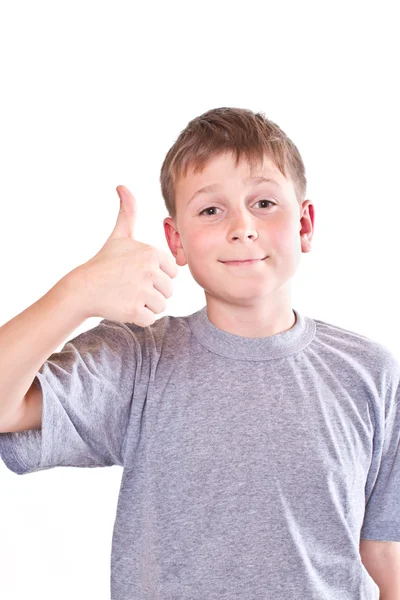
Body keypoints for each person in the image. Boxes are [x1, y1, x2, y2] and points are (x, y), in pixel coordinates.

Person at [0, 107, 399, 600]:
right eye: (211, 210)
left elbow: (384, 555)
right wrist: (74, 295)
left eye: (265, 203)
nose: (242, 227)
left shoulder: (371, 373)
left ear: (305, 223)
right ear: (176, 240)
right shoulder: (138, 359)